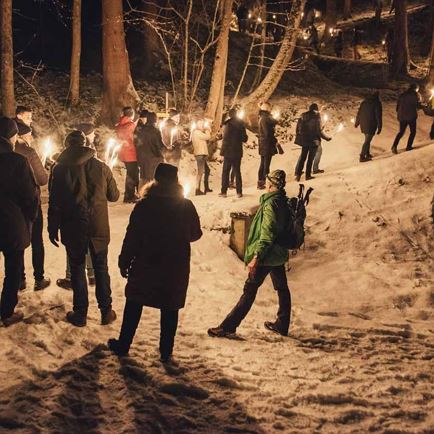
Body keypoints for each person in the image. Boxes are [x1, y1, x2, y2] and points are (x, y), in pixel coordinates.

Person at [108, 163, 202, 362]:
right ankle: (166, 352)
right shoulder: (185, 205)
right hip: (174, 266)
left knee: (134, 302)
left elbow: (132, 235)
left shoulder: (144, 204)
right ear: (176, 181)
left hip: (146, 262)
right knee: (170, 307)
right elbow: (195, 234)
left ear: (156, 179)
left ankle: (124, 344)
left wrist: (124, 260)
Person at [48, 130, 120, 327]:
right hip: (98, 225)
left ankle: (80, 313)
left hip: (73, 225)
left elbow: (54, 202)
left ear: (67, 146)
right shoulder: (100, 166)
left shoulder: (59, 169)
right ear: (85, 144)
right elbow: (114, 196)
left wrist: (52, 227)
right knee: (101, 267)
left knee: (77, 267)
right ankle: (106, 311)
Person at [208, 170, 291, 338]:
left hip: (266, 255)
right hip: (278, 254)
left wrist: (256, 256)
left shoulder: (270, 205)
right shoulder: (283, 201)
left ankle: (228, 326)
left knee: (249, 290)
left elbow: (267, 233)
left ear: (271, 185)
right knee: (282, 289)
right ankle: (282, 324)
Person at [0, 117, 38, 326]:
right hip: (11, 223)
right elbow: (29, 196)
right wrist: (29, 219)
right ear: (12, 136)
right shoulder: (17, 161)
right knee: (13, 268)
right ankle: (6, 311)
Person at [15, 122, 51, 291]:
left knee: (18, 242)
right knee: (37, 240)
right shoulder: (29, 152)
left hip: (14, 205)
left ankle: (20, 279)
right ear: (21, 137)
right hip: (31, 202)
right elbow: (42, 179)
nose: (31, 137)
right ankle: (39, 278)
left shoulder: (7, 153)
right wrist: (44, 170)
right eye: (29, 134)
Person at [295, 103, 331, 181]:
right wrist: (326, 138)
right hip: (313, 140)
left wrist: (300, 137)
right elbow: (318, 131)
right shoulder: (316, 116)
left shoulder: (303, 115)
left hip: (304, 140)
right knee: (310, 158)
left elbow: (298, 128)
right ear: (316, 109)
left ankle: (298, 175)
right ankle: (307, 175)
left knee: (303, 158)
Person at [220, 108, 248, 198]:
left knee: (225, 171)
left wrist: (222, 151)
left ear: (230, 115)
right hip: (237, 151)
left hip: (228, 151)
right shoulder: (241, 124)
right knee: (237, 171)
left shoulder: (228, 124)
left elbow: (226, 139)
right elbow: (245, 138)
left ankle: (224, 192)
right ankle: (239, 192)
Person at [134, 111, 165, 186]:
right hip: (153, 159)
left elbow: (136, 142)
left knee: (143, 178)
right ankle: (150, 195)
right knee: (152, 179)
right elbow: (159, 146)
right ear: (155, 120)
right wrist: (163, 154)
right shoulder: (155, 131)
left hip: (142, 158)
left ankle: (141, 195)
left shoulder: (140, 130)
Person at [116, 107, 139, 203]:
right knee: (133, 175)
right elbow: (135, 139)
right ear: (131, 114)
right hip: (131, 154)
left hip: (123, 153)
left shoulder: (120, 125)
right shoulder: (131, 125)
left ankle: (130, 195)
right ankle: (129, 196)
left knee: (131, 174)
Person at [391, 83, 422, 154]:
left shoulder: (402, 95)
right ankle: (408, 146)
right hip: (411, 117)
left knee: (401, 132)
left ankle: (394, 146)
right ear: (415, 88)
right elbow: (418, 106)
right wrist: (423, 105)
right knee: (413, 132)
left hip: (402, 117)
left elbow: (397, 108)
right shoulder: (416, 95)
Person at [355, 91, 383, 162]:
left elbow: (359, 112)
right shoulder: (377, 103)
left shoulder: (364, 102)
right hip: (371, 124)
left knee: (367, 139)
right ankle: (362, 156)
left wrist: (357, 122)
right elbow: (378, 116)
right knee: (367, 140)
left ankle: (367, 153)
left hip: (363, 123)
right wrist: (379, 127)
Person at [257, 102, 278, 190]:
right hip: (267, 144)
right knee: (266, 164)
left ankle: (261, 182)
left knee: (263, 163)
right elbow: (267, 133)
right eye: (269, 108)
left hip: (263, 143)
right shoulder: (265, 119)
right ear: (267, 109)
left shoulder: (263, 118)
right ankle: (265, 182)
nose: (271, 109)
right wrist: (274, 140)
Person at [192, 120, 212, 196]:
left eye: (202, 124)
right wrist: (207, 130)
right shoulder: (196, 132)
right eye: (200, 124)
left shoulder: (198, 133)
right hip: (200, 155)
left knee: (207, 170)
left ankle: (206, 187)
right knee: (200, 173)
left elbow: (206, 139)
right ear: (197, 125)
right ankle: (197, 190)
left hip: (202, 154)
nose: (202, 126)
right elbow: (207, 137)